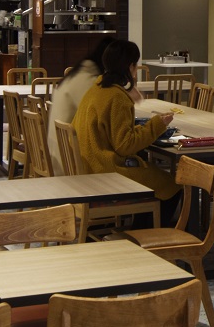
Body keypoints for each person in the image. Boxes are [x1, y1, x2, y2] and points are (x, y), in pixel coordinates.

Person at [69, 39, 179, 219]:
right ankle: (148, 235)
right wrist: (157, 124)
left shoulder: (97, 88)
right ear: (130, 66)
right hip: (105, 172)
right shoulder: (117, 97)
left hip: (88, 166)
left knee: (151, 172)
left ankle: (140, 229)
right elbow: (125, 145)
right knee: (170, 186)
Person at [46, 36, 114, 174]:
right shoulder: (88, 80)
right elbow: (101, 117)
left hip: (58, 151)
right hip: (69, 160)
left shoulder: (79, 72)